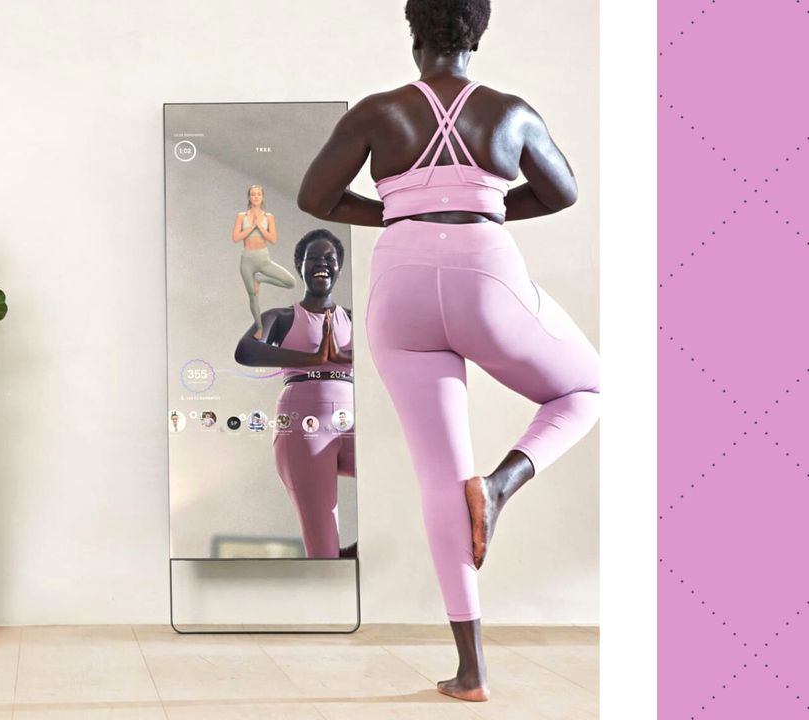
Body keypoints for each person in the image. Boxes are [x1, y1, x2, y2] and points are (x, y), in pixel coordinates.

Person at [296, 0, 600, 702]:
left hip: (398, 280)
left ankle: (471, 670)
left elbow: (317, 195)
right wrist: (484, 207)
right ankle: (501, 485)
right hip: (484, 270)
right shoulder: (509, 113)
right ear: (479, 33)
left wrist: (398, 211)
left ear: (412, 31)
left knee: (439, 475)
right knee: (586, 389)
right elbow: (561, 192)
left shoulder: (377, 113)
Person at [234, 229, 356, 558]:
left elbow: (387, 353)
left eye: (329, 259)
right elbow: (245, 350)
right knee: (323, 551)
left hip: (353, 418)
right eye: (312, 258)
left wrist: (344, 358)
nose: (321, 264)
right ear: (300, 266)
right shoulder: (282, 317)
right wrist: (312, 360)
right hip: (304, 421)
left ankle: (362, 549)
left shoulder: (353, 319)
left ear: (339, 268)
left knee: (406, 468)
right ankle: (332, 558)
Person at [232, 185, 297, 338]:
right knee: (253, 295)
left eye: (258, 194)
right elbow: (235, 238)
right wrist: (252, 226)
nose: (255, 197)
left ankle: (261, 279)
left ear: (262, 197)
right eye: (253, 194)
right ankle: (259, 327)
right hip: (247, 261)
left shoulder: (269, 217)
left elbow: (273, 239)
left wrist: (260, 226)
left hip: (264, 259)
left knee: (291, 282)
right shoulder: (242, 216)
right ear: (249, 197)